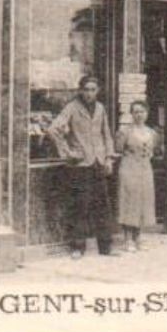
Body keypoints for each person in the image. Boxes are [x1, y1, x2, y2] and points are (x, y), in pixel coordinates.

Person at [48, 75, 115, 258]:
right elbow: (53, 129)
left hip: (98, 162)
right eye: (86, 89)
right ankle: (78, 247)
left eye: (93, 89)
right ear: (80, 90)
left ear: (98, 91)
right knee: (80, 206)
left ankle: (105, 247)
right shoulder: (72, 107)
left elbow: (106, 134)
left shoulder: (100, 108)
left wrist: (108, 158)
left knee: (102, 205)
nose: (89, 93)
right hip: (80, 164)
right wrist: (68, 152)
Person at [115, 100, 158, 252]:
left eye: (142, 111)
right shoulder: (125, 131)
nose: (139, 115)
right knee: (129, 201)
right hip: (129, 168)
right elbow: (118, 149)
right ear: (132, 114)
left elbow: (153, 150)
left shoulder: (151, 132)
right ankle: (127, 239)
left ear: (147, 113)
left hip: (145, 169)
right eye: (136, 112)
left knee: (143, 201)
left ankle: (139, 236)